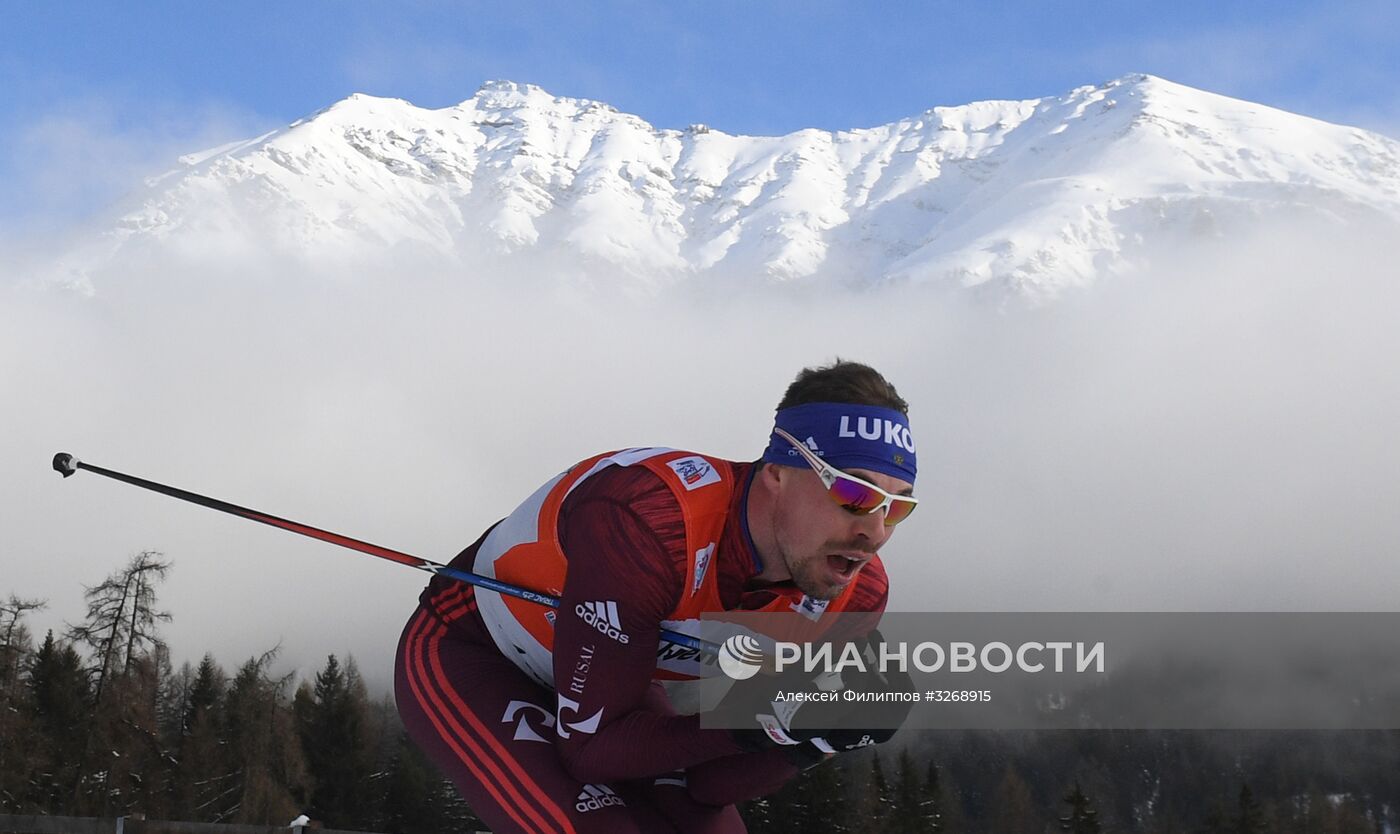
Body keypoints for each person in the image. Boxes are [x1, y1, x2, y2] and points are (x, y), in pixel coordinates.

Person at [394, 360, 919, 833]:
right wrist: (766, 720)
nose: (874, 532)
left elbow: (707, 789)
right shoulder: (653, 523)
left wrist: (812, 740)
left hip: (616, 688)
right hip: (477, 649)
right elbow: (592, 752)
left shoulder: (855, 594)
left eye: (896, 509)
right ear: (777, 473)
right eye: (854, 494)